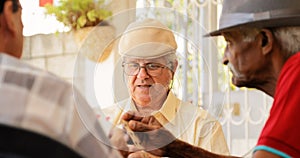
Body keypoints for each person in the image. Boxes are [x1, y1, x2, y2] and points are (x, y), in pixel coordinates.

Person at [121, 0, 300, 157]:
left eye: (229, 42)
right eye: (133, 65)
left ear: (264, 40)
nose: (224, 58)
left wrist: (171, 148)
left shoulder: (297, 75)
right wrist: (172, 147)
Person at [0, 0, 121, 157]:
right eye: (21, 14)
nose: (141, 75)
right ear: (9, 14)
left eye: (152, 65)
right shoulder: (55, 98)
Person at [103, 18, 229, 157]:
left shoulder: (203, 126)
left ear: (172, 68)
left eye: (153, 66)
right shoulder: (104, 121)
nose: (142, 75)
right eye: (133, 65)